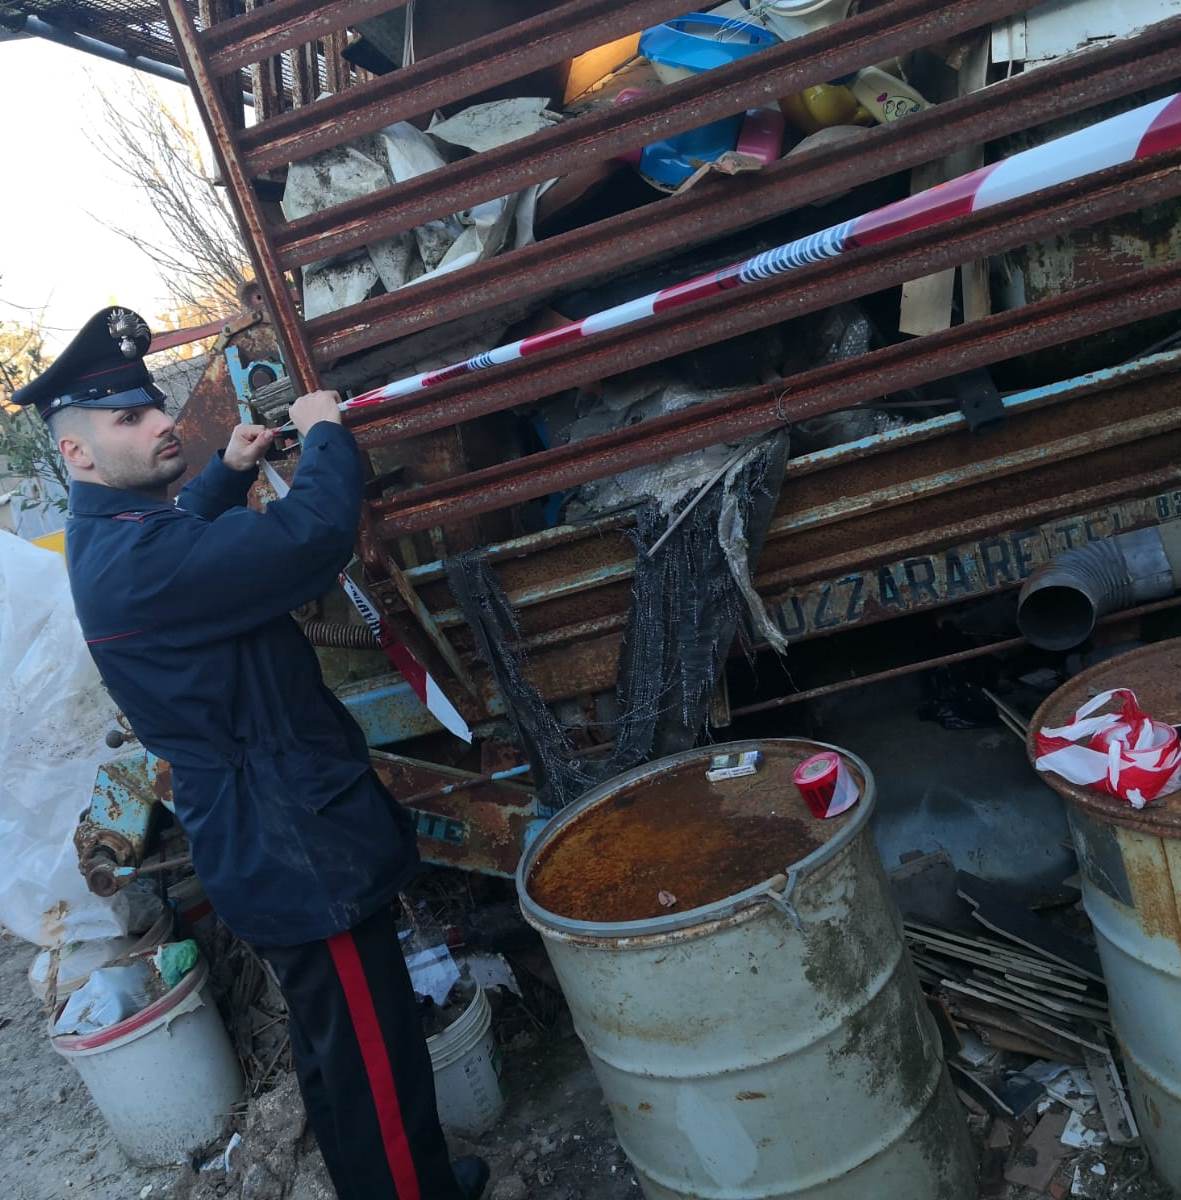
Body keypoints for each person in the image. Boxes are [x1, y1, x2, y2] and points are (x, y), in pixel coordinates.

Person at [14, 307, 490, 1200]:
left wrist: (227, 477)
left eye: (154, 408)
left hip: (271, 835)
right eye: (129, 419)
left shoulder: (114, 537)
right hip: (294, 841)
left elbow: (181, 538)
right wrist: (325, 438)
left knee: (340, 1048)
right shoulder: (139, 560)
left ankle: (400, 1181)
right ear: (76, 455)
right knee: (372, 1057)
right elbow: (307, 541)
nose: (159, 424)